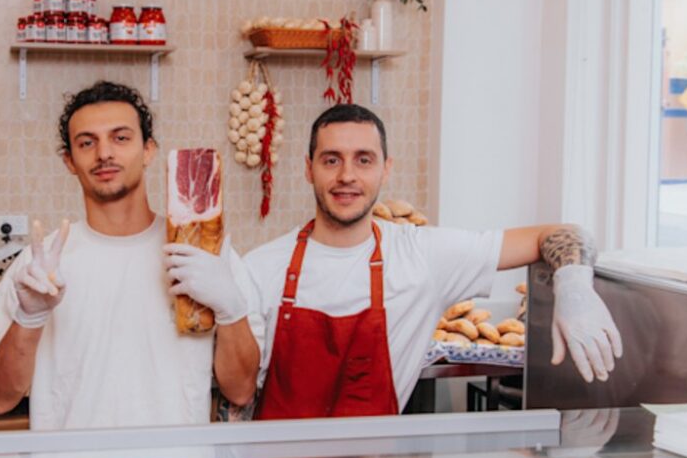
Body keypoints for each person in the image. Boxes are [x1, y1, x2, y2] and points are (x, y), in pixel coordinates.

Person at [245, 104, 623, 419]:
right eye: (331, 160)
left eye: (364, 160)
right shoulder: (262, 267)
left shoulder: (423, 256)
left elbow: (561, 233)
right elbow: (239, 390)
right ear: (308, 168)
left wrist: (574, 283)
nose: (347, 176)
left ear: (385, 169)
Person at [0, 80, 264, 430]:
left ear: (149, 150)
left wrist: (231, 310)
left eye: (121, 138)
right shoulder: (40, 268)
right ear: (69, 161)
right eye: (87, 143)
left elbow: (241, 390)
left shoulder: (206, 258)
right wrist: (29, 318)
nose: (104, 154)